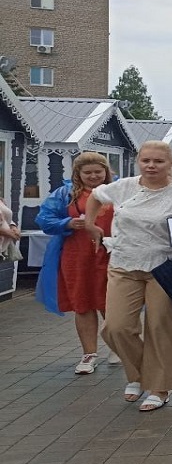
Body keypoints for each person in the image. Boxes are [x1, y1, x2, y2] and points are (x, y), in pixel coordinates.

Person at [84, 141, 172, 412]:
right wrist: (90, 225)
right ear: (138, 161)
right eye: (146, 160)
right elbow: (95, 196)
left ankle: (161, 386)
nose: (151, 166)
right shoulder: (124, 186)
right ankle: (140, 374)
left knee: (161, 326)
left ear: (170, 164)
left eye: (158, 161)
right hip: (124, 262)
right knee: (116, 327)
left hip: (166, 267)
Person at [35, 153, 116, 374]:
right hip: (78, 256)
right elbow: (44, 219)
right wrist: (68, 223)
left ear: (106, 171)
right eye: (87, 172)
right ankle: (89, 354)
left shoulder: (117, 191)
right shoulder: (65, 194)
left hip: (112, 254)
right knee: (83, 303)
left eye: (98, 171)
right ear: (77, 173)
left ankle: (118, 346)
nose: (93, 176)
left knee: (113, 303)